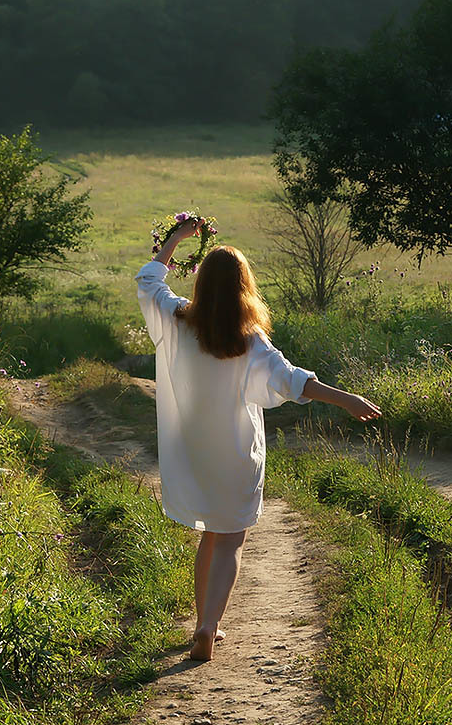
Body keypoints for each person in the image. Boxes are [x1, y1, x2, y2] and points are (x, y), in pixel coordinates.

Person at [136, 216, 381, 662]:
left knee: (210, 535)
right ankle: (210, 625)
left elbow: (149, 279)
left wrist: (176, 238)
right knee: (230, 539)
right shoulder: (250, 341)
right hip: (235, 453)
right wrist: (347, 399)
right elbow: (294, 382)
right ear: (244, 288)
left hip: (194, 450)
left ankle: (201, 624)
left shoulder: (176, 320)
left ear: (202, 286)